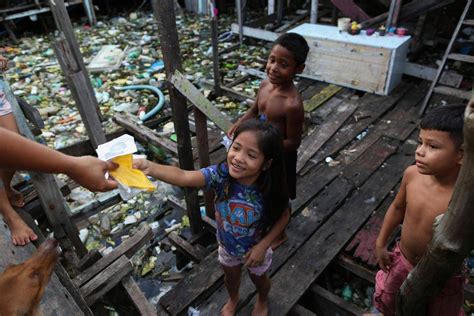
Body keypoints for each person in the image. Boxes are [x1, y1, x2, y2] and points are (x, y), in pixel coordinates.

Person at [134, 119, 290, 316]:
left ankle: (262, 299)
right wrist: (148, 166)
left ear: (267, 164)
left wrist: (263, 245)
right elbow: (183, 176)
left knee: (260, 280)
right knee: (230, 278)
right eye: (236, 148)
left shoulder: (269, 190)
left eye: (251, 155)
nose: (239, 158)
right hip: (227, 246)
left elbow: (284, 215)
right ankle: (233, 299)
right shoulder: (220, 176)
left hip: (256, 250)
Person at [374, 105, 466, 316]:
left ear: (461, 155)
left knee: (440, 311)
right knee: (389, 300)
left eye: (432, 146)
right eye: (420, 142)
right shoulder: (412, 175)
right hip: (403, 260)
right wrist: (381, 243)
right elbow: (397, 208)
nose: (420, 151)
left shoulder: (464, 199)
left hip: (442, 275)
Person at [227, 32, 309, 249]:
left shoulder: (292, 104)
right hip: (261, 152)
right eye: (272, 60)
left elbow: (293, 142)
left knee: (281, 194)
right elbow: (254, 110)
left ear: (298, 69)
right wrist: (240, 123)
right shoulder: (265, 85)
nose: (273, 68)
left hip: (281, 156)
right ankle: (265, 221)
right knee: (263, 188)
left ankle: (280, 233)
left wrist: (266, 147)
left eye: (283, 64)